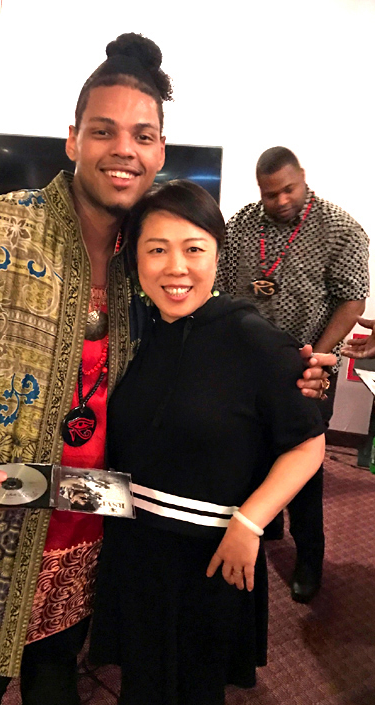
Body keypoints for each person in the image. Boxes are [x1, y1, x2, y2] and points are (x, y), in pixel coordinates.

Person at [0, 38, 331, 703]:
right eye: (103, 130)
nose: (124, 149)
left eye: (142, 135)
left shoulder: (145, 270)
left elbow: (210, 361)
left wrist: (295, 372)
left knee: (56, 677)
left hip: (95, 526)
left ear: (160, 152)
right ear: (73, 139)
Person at [89, 180, 326, 705]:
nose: (176, 268)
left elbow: (308, 445)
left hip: (213, 553)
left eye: (193, 249)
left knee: (197, 689)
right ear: (135, 257)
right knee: (141, 686)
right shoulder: (134, 332)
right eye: (157, 250)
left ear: (219, 255)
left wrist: (251, 523)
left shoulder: (253, 339)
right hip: (135, 548)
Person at [215, 147, 370, 603]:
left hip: (310, 366)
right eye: (270, 194)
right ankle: (267, 524)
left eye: (288, 189)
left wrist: (317, 356)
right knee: (252, 450)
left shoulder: (340, 229)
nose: (281, 201)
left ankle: (310, 558)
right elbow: (222, 287)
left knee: (304, 465)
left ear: (303, 176)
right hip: (250, 365)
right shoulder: (242, 225)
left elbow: (353, 301)